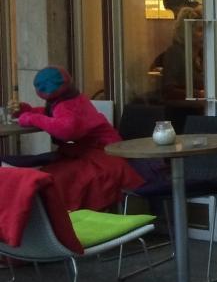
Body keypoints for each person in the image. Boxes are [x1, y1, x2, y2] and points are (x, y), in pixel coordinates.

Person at [14, 67, 142, 210]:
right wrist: (27, 111)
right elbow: (53, 115)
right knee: (50, 176)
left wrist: (30, 118)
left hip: (102, 154)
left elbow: (66, 129)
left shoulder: (66, 104)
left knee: (57, 179)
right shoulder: (70, 98)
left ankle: (55, 214)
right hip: (99, 150)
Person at [160, 5, 204, 101]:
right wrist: (199, 94)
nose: (205, 34)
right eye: (200, 30)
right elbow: (168, 91)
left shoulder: (203, 55)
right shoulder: (175, 53)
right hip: (182, 109)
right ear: (186, 32)